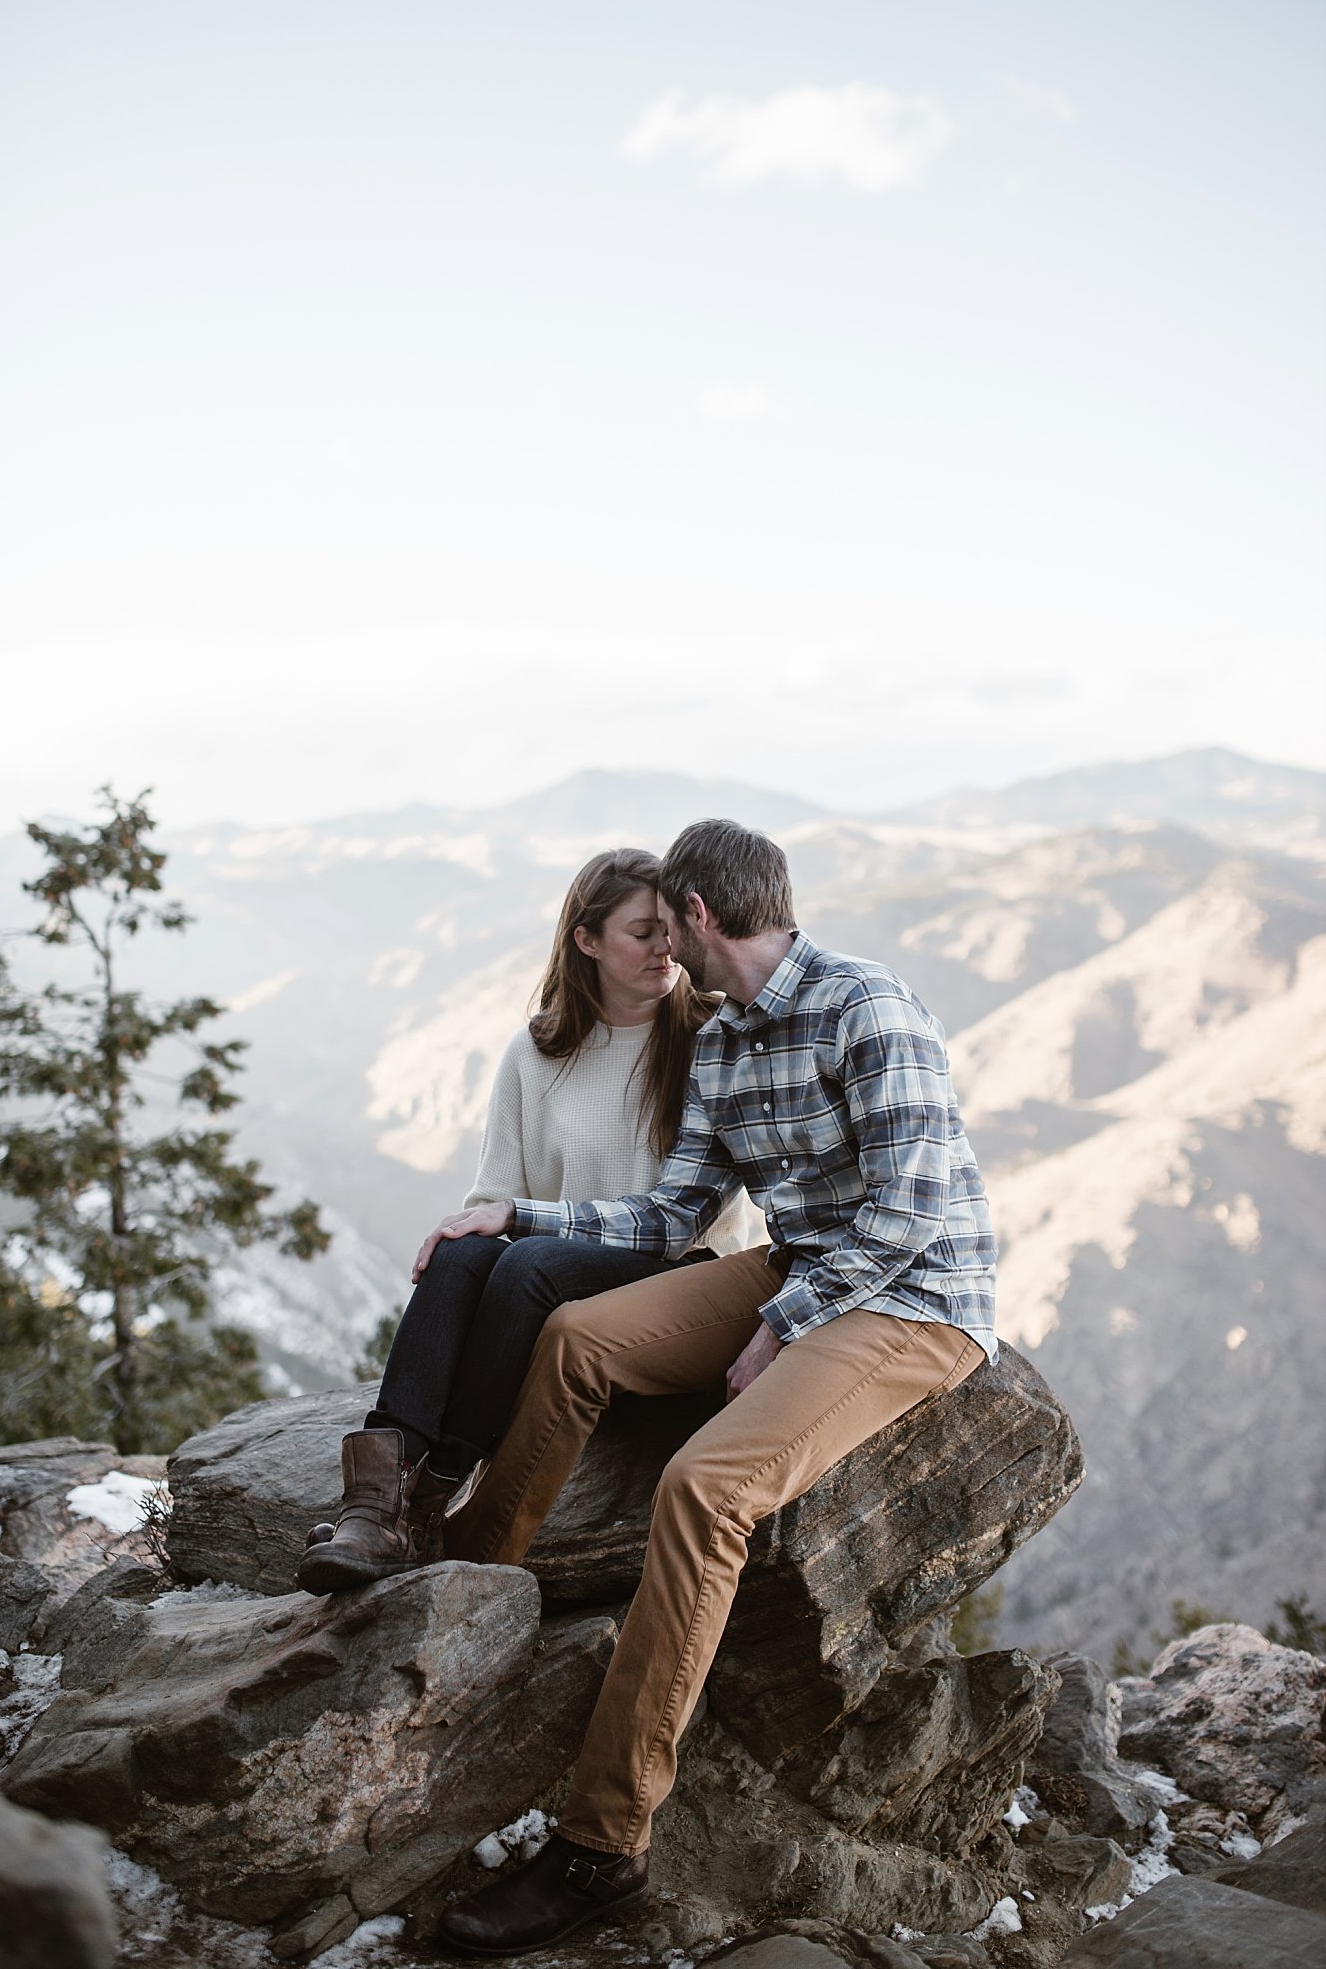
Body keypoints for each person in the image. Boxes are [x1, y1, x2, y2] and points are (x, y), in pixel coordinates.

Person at [415, 818, 998, 1956]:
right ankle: (467, 1582)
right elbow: (670, 1216)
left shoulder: (863, 1007)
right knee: (579, 1334)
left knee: (704, 1484)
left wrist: (781, 1327)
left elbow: (909, 1215)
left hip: (913, 1298)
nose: (657, 942)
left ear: (695, 917)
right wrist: (514, 1216)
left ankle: (602, 1842)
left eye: (663, 919)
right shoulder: (725, 1042)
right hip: (795, 1269)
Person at [297, 848, 749, 1597]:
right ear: (587, 940)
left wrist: (521, 1223)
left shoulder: (711, 1040)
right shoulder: (537, 1050)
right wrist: (467, 1230)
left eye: (671, 929)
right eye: (642, 932)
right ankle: (375, 1506)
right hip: (554, 1275)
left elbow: (678, 1224)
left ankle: (438, 1481)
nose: (667, 949)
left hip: (682, 1275)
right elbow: (495, 1200)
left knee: (524, 1261)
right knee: (459, 1254)